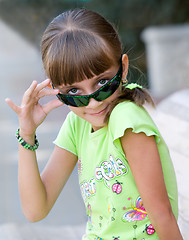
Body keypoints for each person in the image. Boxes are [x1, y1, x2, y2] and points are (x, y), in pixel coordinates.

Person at [6, 8, 183, 240]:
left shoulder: (126, 120)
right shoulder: (77, 124)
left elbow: (162, 215)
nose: (91, 102)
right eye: (73, 92)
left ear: (124, 68)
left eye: (103, 82)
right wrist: (26, 134)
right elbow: (35, 209)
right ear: (57, 92)